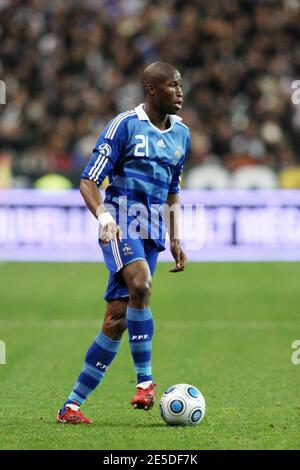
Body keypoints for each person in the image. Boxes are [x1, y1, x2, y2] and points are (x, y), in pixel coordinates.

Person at [56, 62, 189, 424]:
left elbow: (173, 188)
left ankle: (70, 406)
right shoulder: (124, 126)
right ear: (151, 89)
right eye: (173, 85)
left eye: (181, 86)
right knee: (141, 284)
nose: (180, 92)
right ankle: (146, 381)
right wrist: (104, 217)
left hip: (152, 230)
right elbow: (88, 181)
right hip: (120, 222)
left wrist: (176, 238)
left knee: (116, 320)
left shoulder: (181, 134)